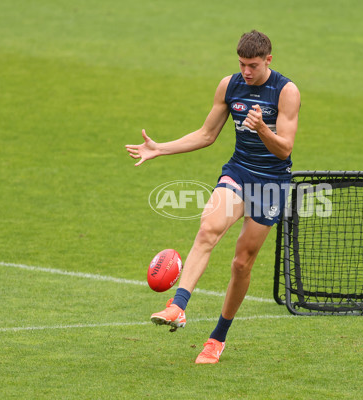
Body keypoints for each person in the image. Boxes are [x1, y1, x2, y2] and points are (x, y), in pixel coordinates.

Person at [125, 30, 300, 364]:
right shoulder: (229, 85)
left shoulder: (286, 91)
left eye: (252, 65)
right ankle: (177, 306)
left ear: (268, 60)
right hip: (238, 171)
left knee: (241, 262)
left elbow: (285, 149)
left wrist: (263, 128)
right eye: (241, 64)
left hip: (271, 182)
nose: (246, 71)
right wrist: (160, 148)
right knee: (208, 228)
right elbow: (206, 135)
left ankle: (217, 338)